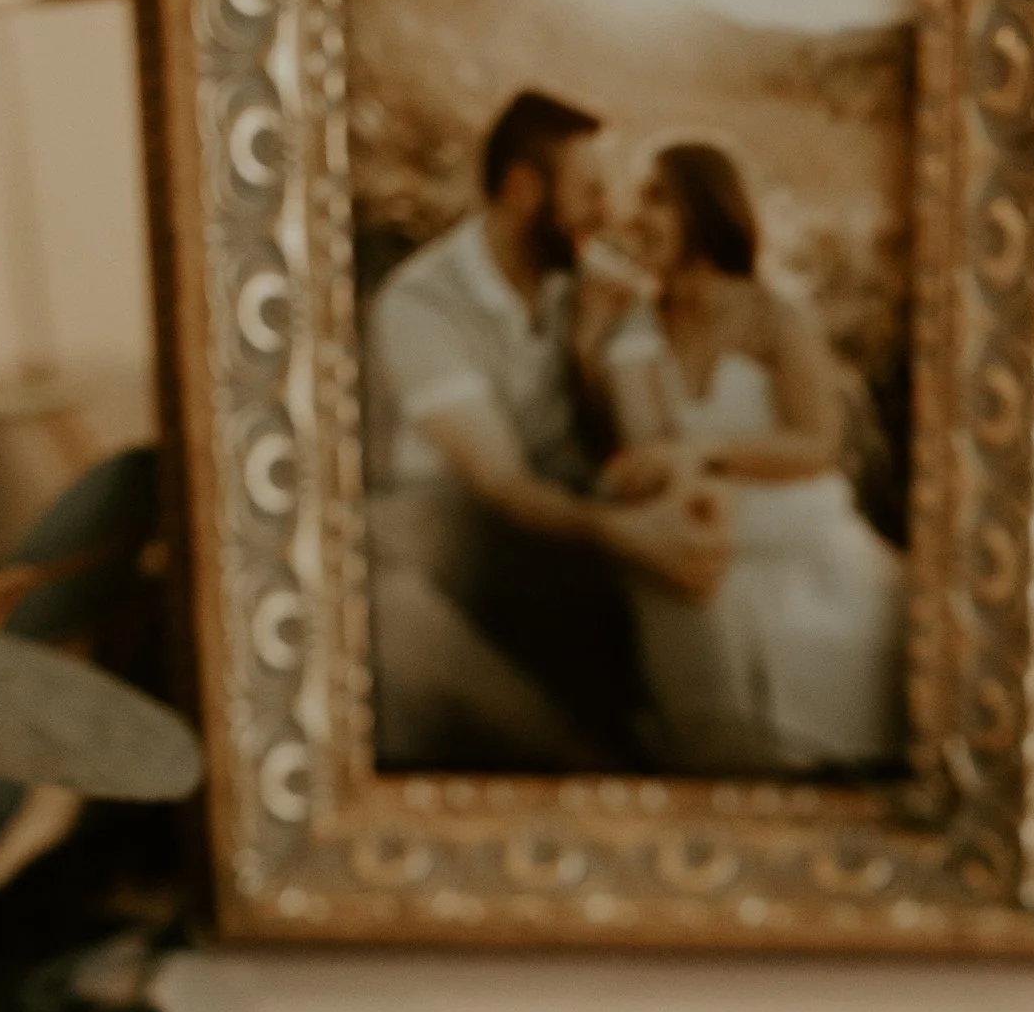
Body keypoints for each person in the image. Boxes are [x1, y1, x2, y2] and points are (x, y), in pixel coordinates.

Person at [362, 88, 726, 768]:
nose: (607, 212)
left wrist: (591, 357)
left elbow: (634, 436)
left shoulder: (579, 278)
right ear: (525, 191)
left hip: (559, 527)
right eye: (589, 191)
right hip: (456, 534)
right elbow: (500, 483)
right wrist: (623, 533)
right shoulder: (422, 305)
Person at [581, 138, 907, 773]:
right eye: (635, 200)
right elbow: (638, 448)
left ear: (705, 206)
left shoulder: (775, 316)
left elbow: (818, 446)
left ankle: (719, 741)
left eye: (657, 197)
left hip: (792, 517)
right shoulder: (636, 325)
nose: (634, 217)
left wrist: (707, 452)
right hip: (697, 516)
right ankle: (708, 738)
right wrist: (591, 338)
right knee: (665, 535)